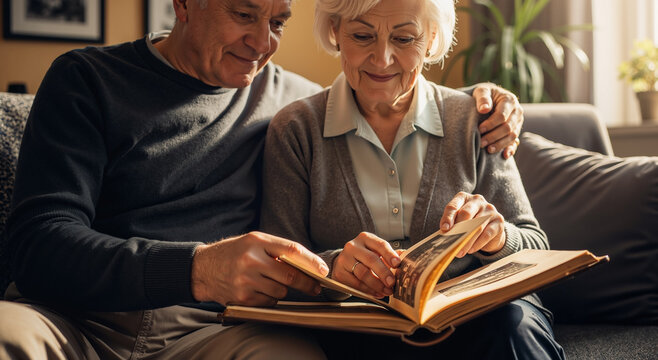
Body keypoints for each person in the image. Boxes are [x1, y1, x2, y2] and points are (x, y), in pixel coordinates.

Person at [0, 0, 525, 359]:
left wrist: (488, 101)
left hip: (210, 333)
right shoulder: (86, 79)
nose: (261, 41)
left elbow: (383, 86)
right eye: (243, 13)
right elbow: (38, 243)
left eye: (278, 20)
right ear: (184, 3)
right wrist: (196, 269)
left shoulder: (294, 108)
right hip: (71, 319)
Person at [260, 0, 565, 358]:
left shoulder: (476, 120)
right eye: (362, 36)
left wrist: (497, 238)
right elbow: (275, 273)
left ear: (431, 38)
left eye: (404, 39)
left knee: (513, 323)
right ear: (335, 31)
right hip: (358, 334)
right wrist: (334, 270)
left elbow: (536, 248)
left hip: (482, 326)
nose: (383, 58)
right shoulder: (296, 130)